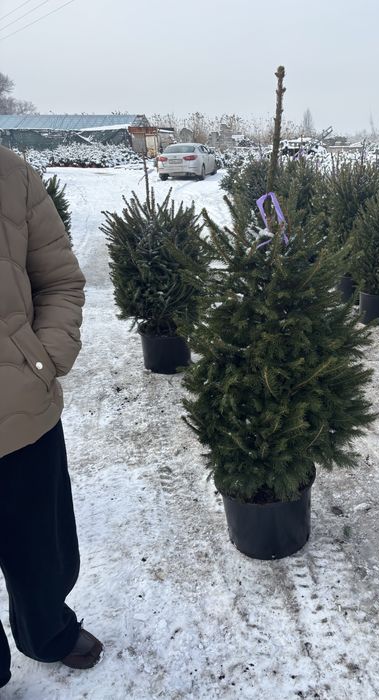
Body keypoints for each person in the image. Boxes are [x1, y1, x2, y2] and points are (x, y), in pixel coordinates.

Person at [0, 144, 103, 689]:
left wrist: (43, 361)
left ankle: (49, 632)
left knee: (45, 551)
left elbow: (59, 279)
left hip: (20, 410)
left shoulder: (12, 174)